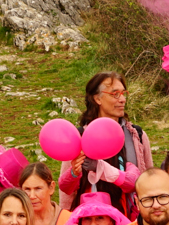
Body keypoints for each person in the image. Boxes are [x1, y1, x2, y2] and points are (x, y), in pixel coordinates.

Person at [62, 71, 154, 216]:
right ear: (97, 99)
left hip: (130, 223)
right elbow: (67, 192)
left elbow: (150, 181)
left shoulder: (137, 136)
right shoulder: (79, 138)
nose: (122, 99)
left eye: (124, 93)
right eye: (115, 94)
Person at [20, 160, 66, 225]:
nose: (32, 196)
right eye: (27, 189)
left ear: (51, 188)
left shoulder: (68, 219)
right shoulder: (18, 222)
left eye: (38, 188)